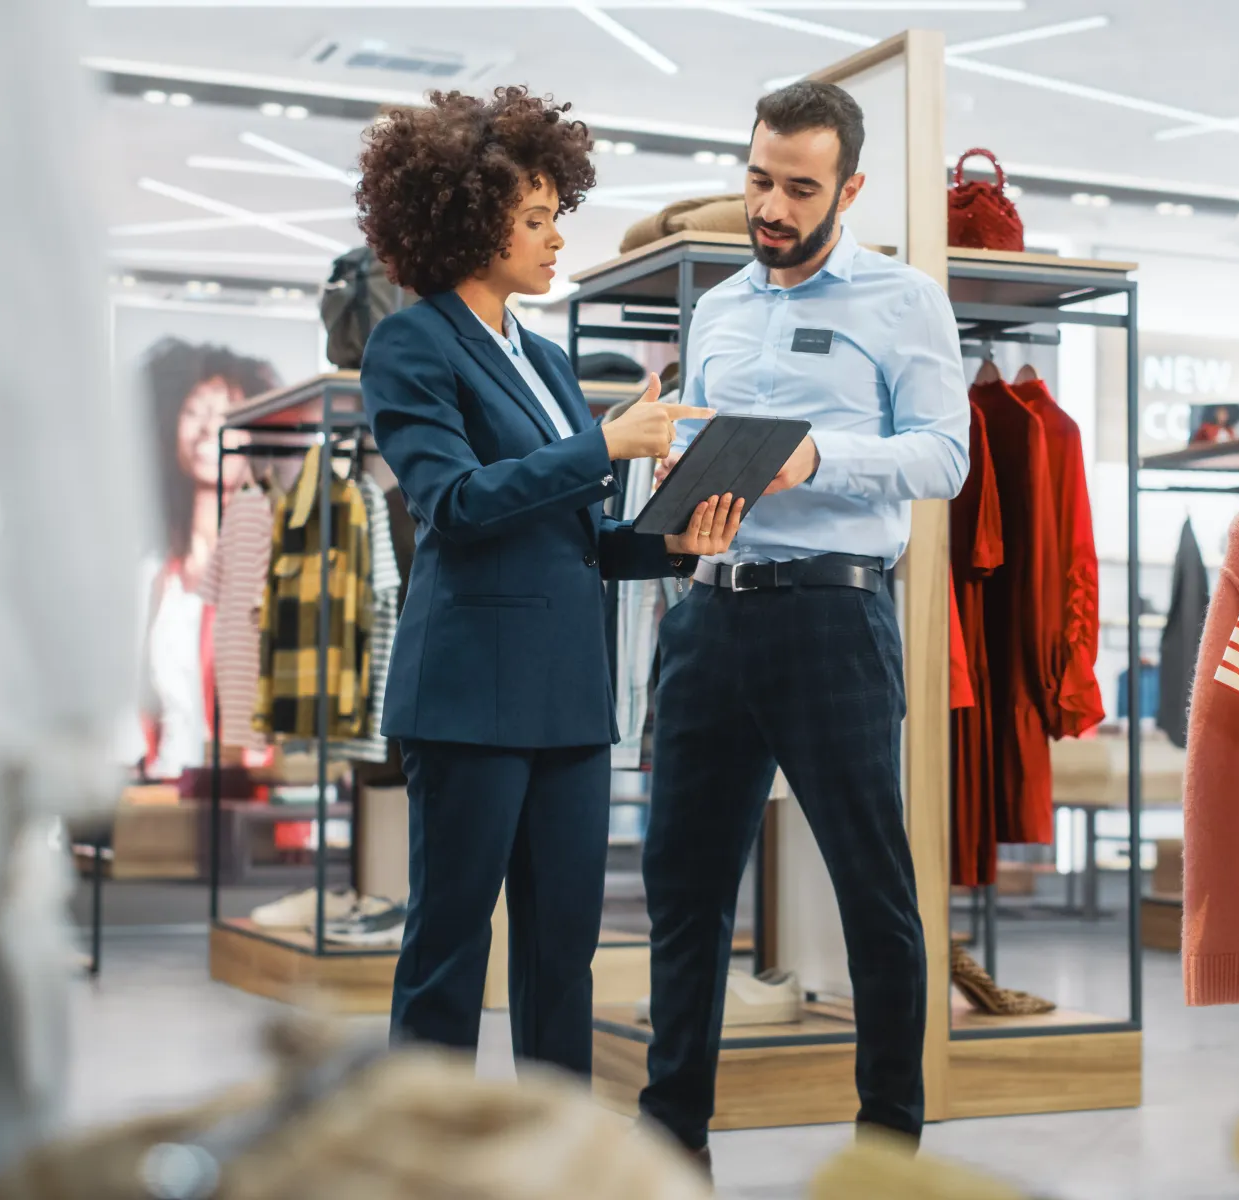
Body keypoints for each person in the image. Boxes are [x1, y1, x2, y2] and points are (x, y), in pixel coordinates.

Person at [356, 86, 744, 1076]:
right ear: (466, 220)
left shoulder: (543, 357)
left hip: (569, 703)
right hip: (470, 699)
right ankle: (429, 1164)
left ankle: (557, 1157)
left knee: (562, 952)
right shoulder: (411, 342)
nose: (553, 241)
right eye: (533, 221)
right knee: (447, 950)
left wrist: (672, 543)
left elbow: (572, 535)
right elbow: (455, 501)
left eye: (551, 218)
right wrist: (603, 443)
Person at [638, 81, 970, 1166]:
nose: (770, 207)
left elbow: (945, 455)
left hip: (834, 619)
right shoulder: (718, 306)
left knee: (875, 891)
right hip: (708, 617)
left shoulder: (904, 299)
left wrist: (819, 454)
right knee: (683, 896)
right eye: (757, 180)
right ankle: (672, 1144)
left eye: (797, 188)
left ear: (849, 188)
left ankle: (886, 1147)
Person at [138, 338, 276, 777]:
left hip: (245, 798)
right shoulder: (156, 577)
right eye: (194, 412)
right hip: (165, 790)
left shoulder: (270, 563)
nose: (206, 431)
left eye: (226, 417)